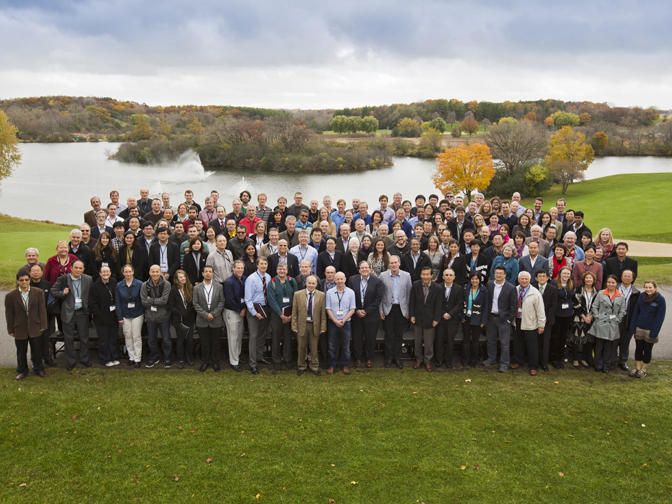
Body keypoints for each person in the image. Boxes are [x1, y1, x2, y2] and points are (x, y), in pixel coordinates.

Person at [5, 271, 49, 380]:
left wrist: (43, 324)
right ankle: (22, 371)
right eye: (21, 280)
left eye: (26, 279)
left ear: (29, 280)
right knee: (21, 351)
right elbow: (9, 314)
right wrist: (11, 329)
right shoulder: (10, 296)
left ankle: (39, 369)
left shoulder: (38, 292)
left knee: (37, 350)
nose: (24, 282)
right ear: (17, 281)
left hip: (35, 326)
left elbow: (42, 310)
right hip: (20, 327)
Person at [51, 260, 92, 371]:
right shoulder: (63, 279)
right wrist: (62, 293)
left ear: (83, 269)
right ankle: (71, 361)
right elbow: (53, 291)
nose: (78, 270)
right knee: (68, 338)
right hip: (68, 312)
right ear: (71, 268)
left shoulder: (88, 279)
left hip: (82, 312)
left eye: (80, 268)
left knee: (84, 337)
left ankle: (84, 359)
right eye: (76, 268)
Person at [379, 255, 412, 369]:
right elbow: (380, 294)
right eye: (391, 263)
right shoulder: (383, 276)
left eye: (395, 262)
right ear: (389, 264)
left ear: (399, 263)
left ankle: (397, 358)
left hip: (401, 309)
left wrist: (408, 310)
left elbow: (409, 294)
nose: (393, 265)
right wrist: (381, 310)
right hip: (388, 308)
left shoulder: (406, 276)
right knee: (388, 335)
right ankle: (388, 358)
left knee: (399, 335)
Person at [348, 261, 383, 368]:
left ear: (370, 269)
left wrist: (366, 311)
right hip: (356, 315)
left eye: (366, 268)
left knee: (370, 338)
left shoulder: (377, 281)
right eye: (362, 268)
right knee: (357, 338)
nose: (364, 270)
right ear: (359, 270)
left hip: (371, 316)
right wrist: (357, 310)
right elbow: (349, 296)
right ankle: (357, 358)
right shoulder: (352, 280)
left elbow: (378, 299)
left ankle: (369, 358)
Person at [629, 280, 667, 378]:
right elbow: (636, 311)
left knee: (647, 350)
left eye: (650, 287)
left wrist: (654, 332)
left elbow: (660, 318)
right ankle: (637, 368)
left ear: (655, 288)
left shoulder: (660, 300)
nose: (648, 289)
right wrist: (633, 326)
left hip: (650, 329)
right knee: (638, 349)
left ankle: (643, 369)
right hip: (639, 328)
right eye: (646, 287)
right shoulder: (641, 297)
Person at [589, 275, 626, 373]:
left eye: (613, 282)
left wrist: (617, 320)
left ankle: (606, 365)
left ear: (616, 283)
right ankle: (598, 364)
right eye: (609, 282)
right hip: (601, 323)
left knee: (608, 347)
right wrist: (597, 317)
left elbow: (622, 311)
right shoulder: (601, 293)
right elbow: (594, 306)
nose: (611, 284)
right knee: (598, 346)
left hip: (612, 324)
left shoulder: (621, 296)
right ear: (606, 283)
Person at [511, 272, 546, 375]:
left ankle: (533, 366)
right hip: (517, 321)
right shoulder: (515, 290)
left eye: (526, 279)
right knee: (518, 343)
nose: (524, 281)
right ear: (518, 280)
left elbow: (540, 310)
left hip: (530, 322)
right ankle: (518, 361)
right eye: (522, 279)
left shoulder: (535, 293)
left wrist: (541, 324)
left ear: (530, 280)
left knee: (532, 345)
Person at [292, 275, 327, 376]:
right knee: (301, 347)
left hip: (315, 325)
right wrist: (294, 326)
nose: (311, 285)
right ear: (305, 283)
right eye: (309, 283)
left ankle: (314, 366)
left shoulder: (321, 295)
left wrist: (323, 326)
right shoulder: (297, 294)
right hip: (301, 325)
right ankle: (301, 366)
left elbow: (323, 313)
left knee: (314, 347)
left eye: (313, 283)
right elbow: (294, 312)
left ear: (316, 284)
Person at [484, 266, 517, 373]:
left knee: (504, 343)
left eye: (500, 273)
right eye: (496, 273)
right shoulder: (489, 284)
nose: (498, 275)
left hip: (503, 319)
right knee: (490, 341)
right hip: (491, 318)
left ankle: (504, 363)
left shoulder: (511, 287)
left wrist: (509, 319)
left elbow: (513, 306)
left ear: (505, 275)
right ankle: (491, 359)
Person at [193, 265, 226, 372]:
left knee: (216, 343)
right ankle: (205, 362)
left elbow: (222, 302)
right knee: (204, 343)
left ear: (213, 274)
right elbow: (195, 303)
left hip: (215, 319)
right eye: (206, 271)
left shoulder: (219, 287)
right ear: (202, 274)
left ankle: (215, 362)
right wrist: (205, 315)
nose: (208, 273)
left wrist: (213, 314)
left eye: (210, 271)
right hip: (202, 320)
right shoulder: (197, 288)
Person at [410, 266, 443, 371]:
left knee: (429, 342)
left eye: (427, 274)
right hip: (417, 318)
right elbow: (412, 302)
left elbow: (438, 305)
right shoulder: (415, 285)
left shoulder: (437, 288)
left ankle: (428, 361)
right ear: (420, 275)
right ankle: (419, 360)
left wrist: (436, 319)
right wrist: (412, 315)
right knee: (417, 341)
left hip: (430, 319)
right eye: (423, 274)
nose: (425, 276)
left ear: (431, 275)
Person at [267, 262, 299, 371]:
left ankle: (287, 358)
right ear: (276, 270)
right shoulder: (272, 282)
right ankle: (276, 360)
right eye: (280, 269)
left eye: (284, 269)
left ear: (287, 270)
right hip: (277, 315)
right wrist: (281, 315)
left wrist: (291, 314)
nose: (282, 271)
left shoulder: (291, 281)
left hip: (290, 314)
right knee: (276, 337)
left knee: (288, 337)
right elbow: (272, 301)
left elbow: (296, 296)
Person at [141, 264, 172, 369]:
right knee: (151, 340)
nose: (155, 274)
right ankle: (154, 357)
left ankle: (167, 358)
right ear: (149, 272)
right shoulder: (144, 285)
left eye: (157, 272)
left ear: (161, 273)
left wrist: (151, 300)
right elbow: (144, 302)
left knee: (166, 340)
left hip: (163, 317)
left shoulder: (166, 284)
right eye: (153, 272)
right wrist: (153, 301)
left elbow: (164, 301)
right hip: (150, 317)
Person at [245, 257, 272, 374]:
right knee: (254, 336)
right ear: (257, 265)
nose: (263, 266)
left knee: (262, 335)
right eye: (261, 264)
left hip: (265, 309)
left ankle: (259, 356)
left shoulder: (268, 277)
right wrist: (255, 313)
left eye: (265, 264)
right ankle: (252, 363)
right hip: (254, 311)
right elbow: (248, 299)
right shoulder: (251, 279)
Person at [325, 271, 356, 375]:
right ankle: (332, 365)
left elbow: (352, 309)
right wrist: (335, 321)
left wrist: (343, 320)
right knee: (332, 346)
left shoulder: (351, 292)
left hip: (346, 323)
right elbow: (328, 308)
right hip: (332, 323)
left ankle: (345, 365)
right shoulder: (329, 292)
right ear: (334, 280)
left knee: (346, 346)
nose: (339, 281)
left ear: (345, 279)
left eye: (341, 279)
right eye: (337, 279)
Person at [89, 265, 120, 367]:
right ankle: (104, 359)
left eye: (107, 271)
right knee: (103, 340)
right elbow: (92, 304)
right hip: (101, 319)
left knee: (112, 338)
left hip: (113, 316)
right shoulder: (95, 286)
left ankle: (114, 357)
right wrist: (100, 315)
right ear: (100, 274)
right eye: (103, 272)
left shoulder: (114, 282)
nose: (105, 273)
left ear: (110, 273)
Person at [433, 268, 465, 369]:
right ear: (443, 277)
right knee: (439, 340)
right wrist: (443, 314)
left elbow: (459, 304)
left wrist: (449, 314)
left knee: (450, 341)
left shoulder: (459, 288)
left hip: (452, 319)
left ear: (454, 277)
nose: (448, 277)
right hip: (441, 318)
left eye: (451, 275)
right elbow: (436, 303)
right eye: (446, 275)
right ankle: (439, 360)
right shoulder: (438, 287)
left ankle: (448, 360)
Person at [115, 264, 144, 368]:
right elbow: (117, 302)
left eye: (129, 271)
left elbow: (143, 300)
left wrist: (144, 314)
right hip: (125, 314)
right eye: (125, 272)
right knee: (127, 336)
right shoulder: (119, 285)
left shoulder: (140, 284)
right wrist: (119, 316)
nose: (128, 274)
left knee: (136, 336)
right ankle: (131, 357)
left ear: (133, 272)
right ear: (123, 273)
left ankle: (137, 358)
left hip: (137, 313)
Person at [569, 270, 598, 369]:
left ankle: (584, 359)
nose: (589, 280)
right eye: (587, 278)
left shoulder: (596, 291)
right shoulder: (578, 290)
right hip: (579, 319)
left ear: (594, 280)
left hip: (591, 319)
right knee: (576, 339)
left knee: (589, 340)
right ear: (584, 280)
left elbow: (597, 305)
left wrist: (590, 316)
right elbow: (576, 304)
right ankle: (576, 359)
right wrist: (584, 317)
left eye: (591, 278)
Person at [168, 269, 196, 369]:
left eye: (184, 276)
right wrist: (180, 312)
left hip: (189, 318)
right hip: (179, 320)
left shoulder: (190, 287)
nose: (183, 278)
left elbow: (194, 303)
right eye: (180, 277)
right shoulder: (173, 290)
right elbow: (170, 306)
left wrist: (188, 311)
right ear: (176, 279)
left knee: (189, 339)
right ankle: (180, 359)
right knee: (180, 340)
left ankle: (188, 357)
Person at [223, 260, 247, 372]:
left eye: (242, 268)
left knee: (239, 336)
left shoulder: (244, 279)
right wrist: (239, 310)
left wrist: (244, 308)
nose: (240, 270)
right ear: (233, 268)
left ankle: (237, 356)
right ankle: (233, 361)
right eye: (238, 268)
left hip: (241, 310)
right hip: (232, 312)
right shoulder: (229, 282)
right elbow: (229, 300)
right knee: (233, 337)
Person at [549, 266, 574, 369]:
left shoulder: (571, 284)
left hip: (567, 314)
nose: (566, 275)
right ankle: (553, 357)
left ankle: (560, 357)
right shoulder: (553, 284)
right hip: (557, 313)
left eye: (568, 274)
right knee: (555, 336)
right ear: (560, 274)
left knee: (563, 336)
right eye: (564, 273)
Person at [532, 269, 557, 372]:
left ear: (547, 278)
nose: (542, 278)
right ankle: (535, 361)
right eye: (539, 276)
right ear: (536, 278)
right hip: (534, 320)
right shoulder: (532, 288)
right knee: (535, 341)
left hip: (547, 320)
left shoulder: (553, 289)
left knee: (545, 342)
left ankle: (544, 362)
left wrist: (544, 318)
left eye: (544, 276)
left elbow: (553, 305)